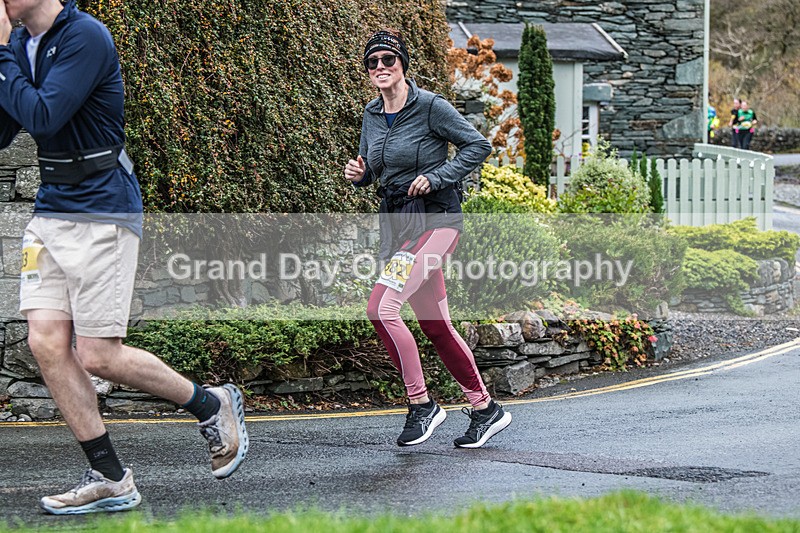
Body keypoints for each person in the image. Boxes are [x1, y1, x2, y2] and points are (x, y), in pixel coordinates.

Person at [0, 0, 248, 515]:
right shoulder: (22, 44)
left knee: (97, 354)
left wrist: (1, 55)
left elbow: (44, 114)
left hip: (103, 211)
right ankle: (110, 477)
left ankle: (212, 403)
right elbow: (6, 128)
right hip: (50, 211)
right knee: (45, 342)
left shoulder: (85, 37)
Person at [344, 29, 512, 449]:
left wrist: (436, 177)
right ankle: (485, 407)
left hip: (437, 222)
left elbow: (478, 145)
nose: (380, 67)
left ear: (402, 64)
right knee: (436, 326)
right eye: (373, 62)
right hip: (400, 225)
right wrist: (360, 175)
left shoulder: (431, 106)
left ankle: (422, 405)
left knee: (381, 307)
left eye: (388, 60)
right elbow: (374, 168)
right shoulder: (370, 114)